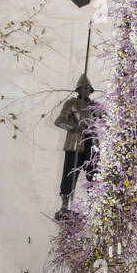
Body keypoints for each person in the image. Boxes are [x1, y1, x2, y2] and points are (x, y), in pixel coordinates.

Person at [54, 74, 98, 220]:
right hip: (76, 142)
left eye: (88, 88)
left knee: (93, 173)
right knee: (69, 174)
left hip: (91, 142)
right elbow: (60, 120)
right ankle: (65, 205)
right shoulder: (72, 103)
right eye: (83, 88)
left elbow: (106, 118)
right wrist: (74, 127)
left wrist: (98, 111)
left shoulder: (94, 106)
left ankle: (95, 203)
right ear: (78, 89)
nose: (85, 90)